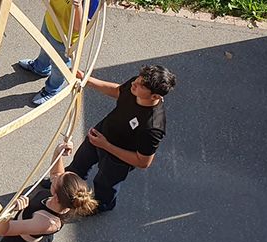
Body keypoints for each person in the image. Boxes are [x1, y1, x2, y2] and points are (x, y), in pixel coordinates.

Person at [45, 65, 176, 213]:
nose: (134, 83)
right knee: (79, 163)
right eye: (138, 79)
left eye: (141, 85)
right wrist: (87, 80)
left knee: (104, 184)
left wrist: (106, 145)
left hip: (117, 159)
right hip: (100, 135)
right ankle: (62, 183)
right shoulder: (135, 86)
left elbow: (143, 162)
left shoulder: (152, 127)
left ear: (155, 96)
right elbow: (118, 91)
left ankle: (101, 206)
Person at [14, 0, 101, 106]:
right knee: (45, 49)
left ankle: (52, 89)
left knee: (59, 67)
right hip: (50, 21)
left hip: (64, 39)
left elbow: (79, 28)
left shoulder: (93, 2)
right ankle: (41, 68)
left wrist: (78, 5)